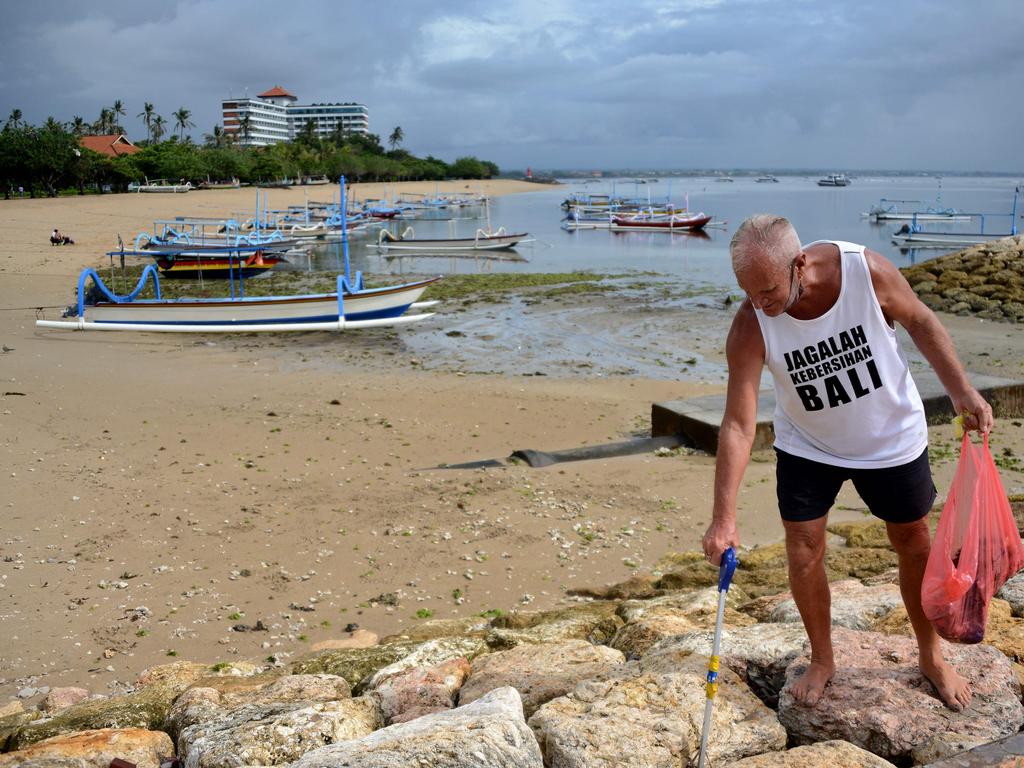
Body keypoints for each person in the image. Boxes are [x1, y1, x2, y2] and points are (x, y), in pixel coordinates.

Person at [702, 214, 991, 712]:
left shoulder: (866, 273)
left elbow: (920, 321)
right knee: (803, 549)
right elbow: (737, 424)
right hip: (809, 445)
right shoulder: (752, 322)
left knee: (912, 540)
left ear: (799, 264)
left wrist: (961, 390)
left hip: (890, 437)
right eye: (748, 292)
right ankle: (822, 659)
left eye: (769, 290)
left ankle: (930, 655)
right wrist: (723, 518)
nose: (760, 303)